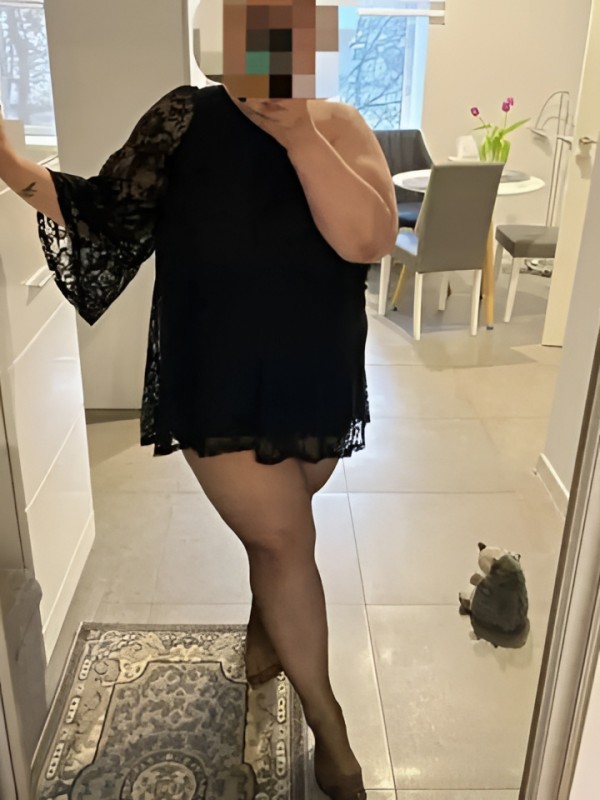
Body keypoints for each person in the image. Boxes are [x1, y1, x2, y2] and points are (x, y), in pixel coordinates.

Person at [0, 27, 398, 800]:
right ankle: (331, 732)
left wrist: (300, 133)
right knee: (285, 538)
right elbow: (104, 212)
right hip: (214, 376)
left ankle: (266, 623)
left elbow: (367, 240)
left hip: (316, 377)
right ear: (225, 38)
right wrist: (13, 166)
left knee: (277, 530)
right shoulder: (182, 118)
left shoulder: (340, 123)